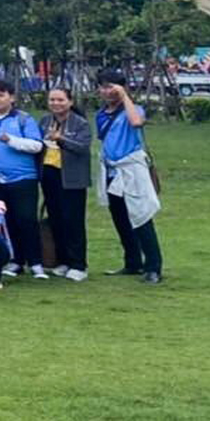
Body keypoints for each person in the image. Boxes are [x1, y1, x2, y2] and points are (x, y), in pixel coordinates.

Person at [95, 69, 163, 283]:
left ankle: (153, 266)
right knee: (120, 219)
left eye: (111, 86)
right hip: (112, 171)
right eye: (103, 86)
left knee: (141, 216)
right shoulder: (100, 114)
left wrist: (125, 97)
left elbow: (135, 122)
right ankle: (132, 262)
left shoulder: (134, 109)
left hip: (131, 169)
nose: (107, 91)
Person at [0, 79, 47, 279]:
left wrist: (12, 141)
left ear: (12, 97)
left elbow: (37, 146)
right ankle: (16, 261)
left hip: (23, 178)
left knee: (26, 219)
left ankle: (36, 262)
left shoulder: (24, 119)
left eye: (1, 95)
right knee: (6, 222)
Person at [39, 85, 92, 280]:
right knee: (56, 219)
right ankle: (62, 261)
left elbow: (82, 147)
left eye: (60, 100)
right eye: (52, 100)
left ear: (70, 102)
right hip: (49, 175)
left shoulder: (80, 123)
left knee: (73, 221)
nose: (56, 103)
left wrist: (61, 139)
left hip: (72, 178)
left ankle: (78, 264)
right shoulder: (45, 121)